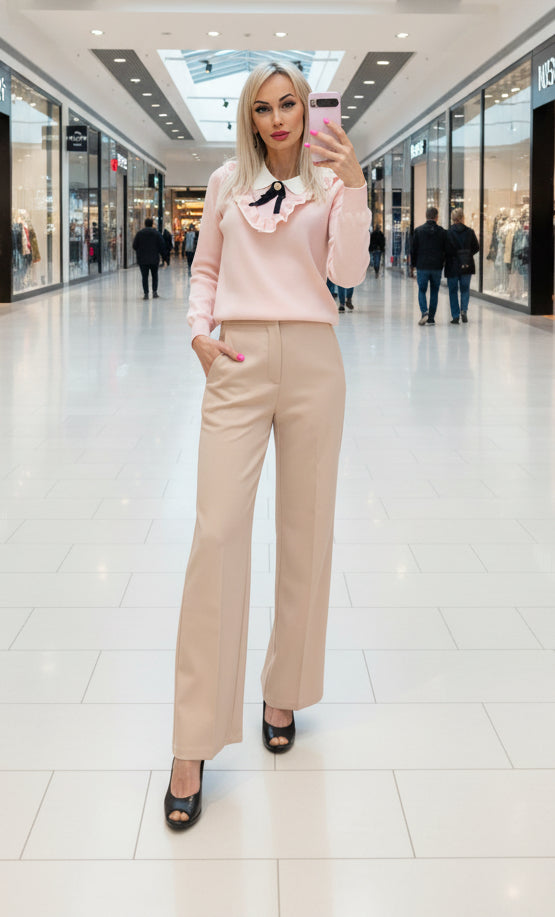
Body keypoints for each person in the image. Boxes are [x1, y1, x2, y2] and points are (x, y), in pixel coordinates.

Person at [165, 61, 370, 830]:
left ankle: (282, 686)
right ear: (249, 117)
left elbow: (345, 271)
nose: (280, 117)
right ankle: (191, 740)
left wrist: (352, 187)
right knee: (215, 533)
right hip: (241, 359)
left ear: (304, 110)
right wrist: (199, 334)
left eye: (290, 104)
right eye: (264, 107)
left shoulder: (328, 182)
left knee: (305, 531)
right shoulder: (224, 182)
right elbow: (206, 270)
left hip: (316, 361)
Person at [410, 206, 447, 325]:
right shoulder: (442, 232)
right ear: (437, 217)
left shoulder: (418, 231)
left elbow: (413, 250)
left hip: (422, 265)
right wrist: (443, 262)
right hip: (436, 266)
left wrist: (413, 265)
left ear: (426, 216)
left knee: (422, 290)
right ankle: (431, 318)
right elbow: (445, 250)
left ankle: (424, 312)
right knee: (434, 291)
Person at [444, 208, 480, 324]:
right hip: (466, 264)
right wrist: (467, 254)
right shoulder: (470, 231)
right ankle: (464, 310)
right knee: (465, 289)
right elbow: (476, 247)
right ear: (462, 217)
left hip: (452, 265)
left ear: (452, 219)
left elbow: (445, 249)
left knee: (453, 290)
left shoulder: (448, 233)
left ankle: (455, 315)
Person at [132, 218, 166, 299]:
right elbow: (162, 245)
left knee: (144, 277)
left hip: (143, 259)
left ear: (145, 224)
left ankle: (146, 293)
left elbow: (134, 246)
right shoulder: (157, 233)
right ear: (152, 224)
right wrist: (163, 256)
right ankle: (154, 292)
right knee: (155, 276)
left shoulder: (139, 234)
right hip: (154, 259)